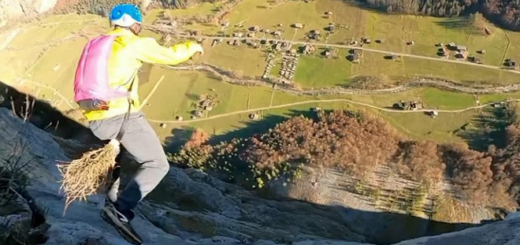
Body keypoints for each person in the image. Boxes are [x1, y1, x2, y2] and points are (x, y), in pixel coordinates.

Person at [74, 3, 204, 244]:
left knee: (118, 155)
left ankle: (110, 202)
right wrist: (193, 46)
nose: (140, 25)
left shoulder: (97, 43)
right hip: (120, 115)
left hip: (95, 115)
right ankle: (121, 209)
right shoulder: (134, 43)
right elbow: (170, 56)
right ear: (131, 22)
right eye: (138, 21)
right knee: (157, 164)